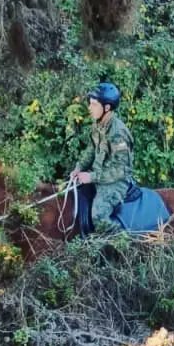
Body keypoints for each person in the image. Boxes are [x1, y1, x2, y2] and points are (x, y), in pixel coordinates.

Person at [71, 82, 134, 235]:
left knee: (98, 215)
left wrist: (91, 177)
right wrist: (79, 168)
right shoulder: (98, 124)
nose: (89, 108)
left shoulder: (118, 133)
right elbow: (92, 149)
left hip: (116, 182)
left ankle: (122, 242)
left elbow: (121, 169)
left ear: (106, 108)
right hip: (99, 175)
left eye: (94, 104)